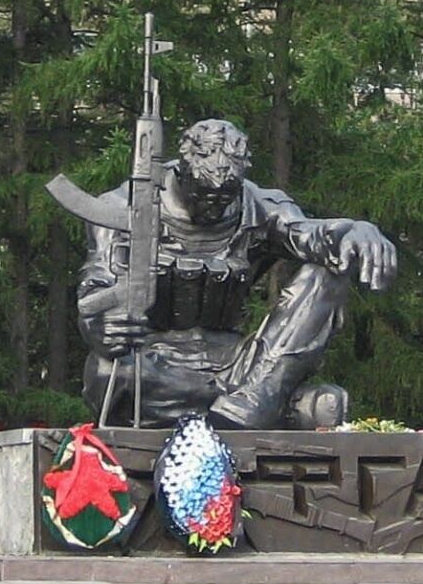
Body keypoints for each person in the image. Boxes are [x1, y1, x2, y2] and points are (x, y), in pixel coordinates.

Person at [77, 119, 396, 428]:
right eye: (204, 196)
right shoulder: (121, 206)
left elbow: (310, 235)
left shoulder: (259, 204)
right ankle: (269, 404)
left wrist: (353, 231)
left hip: (244, 364)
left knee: (329, 270)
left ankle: (253, 400)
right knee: (110, 375)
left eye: (224, 198)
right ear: (181, 173)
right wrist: (102, 326)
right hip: (154, 363)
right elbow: (96, 286)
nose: (213, 207)